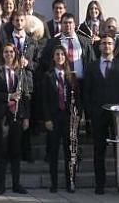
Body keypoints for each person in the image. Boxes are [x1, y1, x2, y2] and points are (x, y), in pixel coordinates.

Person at [83, 34, 119, 195]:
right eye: (103, 43)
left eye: (109, 43)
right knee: (99, 151)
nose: (106, 46)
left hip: (118, 116)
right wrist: (90, 112)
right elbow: (87, 92)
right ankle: (100, 184)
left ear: (114, 46)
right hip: (98, 114)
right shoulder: (91, 66)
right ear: (99, 47)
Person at [0, 43, 31, 195]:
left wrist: (26, 117)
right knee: (2, 151)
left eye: (11, 52)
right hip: (2, 116)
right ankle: (1, 185)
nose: (9, 54)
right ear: (2, 54)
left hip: (17, 116)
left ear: (15, 54)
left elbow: (25, 96)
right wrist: (8, 97)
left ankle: (16, 184)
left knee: (16, 151)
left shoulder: (20, 71)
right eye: (6, 52)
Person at [41, 45, 79, 193]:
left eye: (62, 54)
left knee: (70, 153)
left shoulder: (72, 76)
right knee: (54, 153)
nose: (59, 57)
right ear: (53, 57)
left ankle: (70, 182)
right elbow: (44, 100)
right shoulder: (48, 75)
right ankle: (54, 183)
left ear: (65, 57)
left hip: (68, 119)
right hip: (54, 118)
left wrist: (77, 116)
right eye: (57, 54)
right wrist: (47, 119)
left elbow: (78, 99)